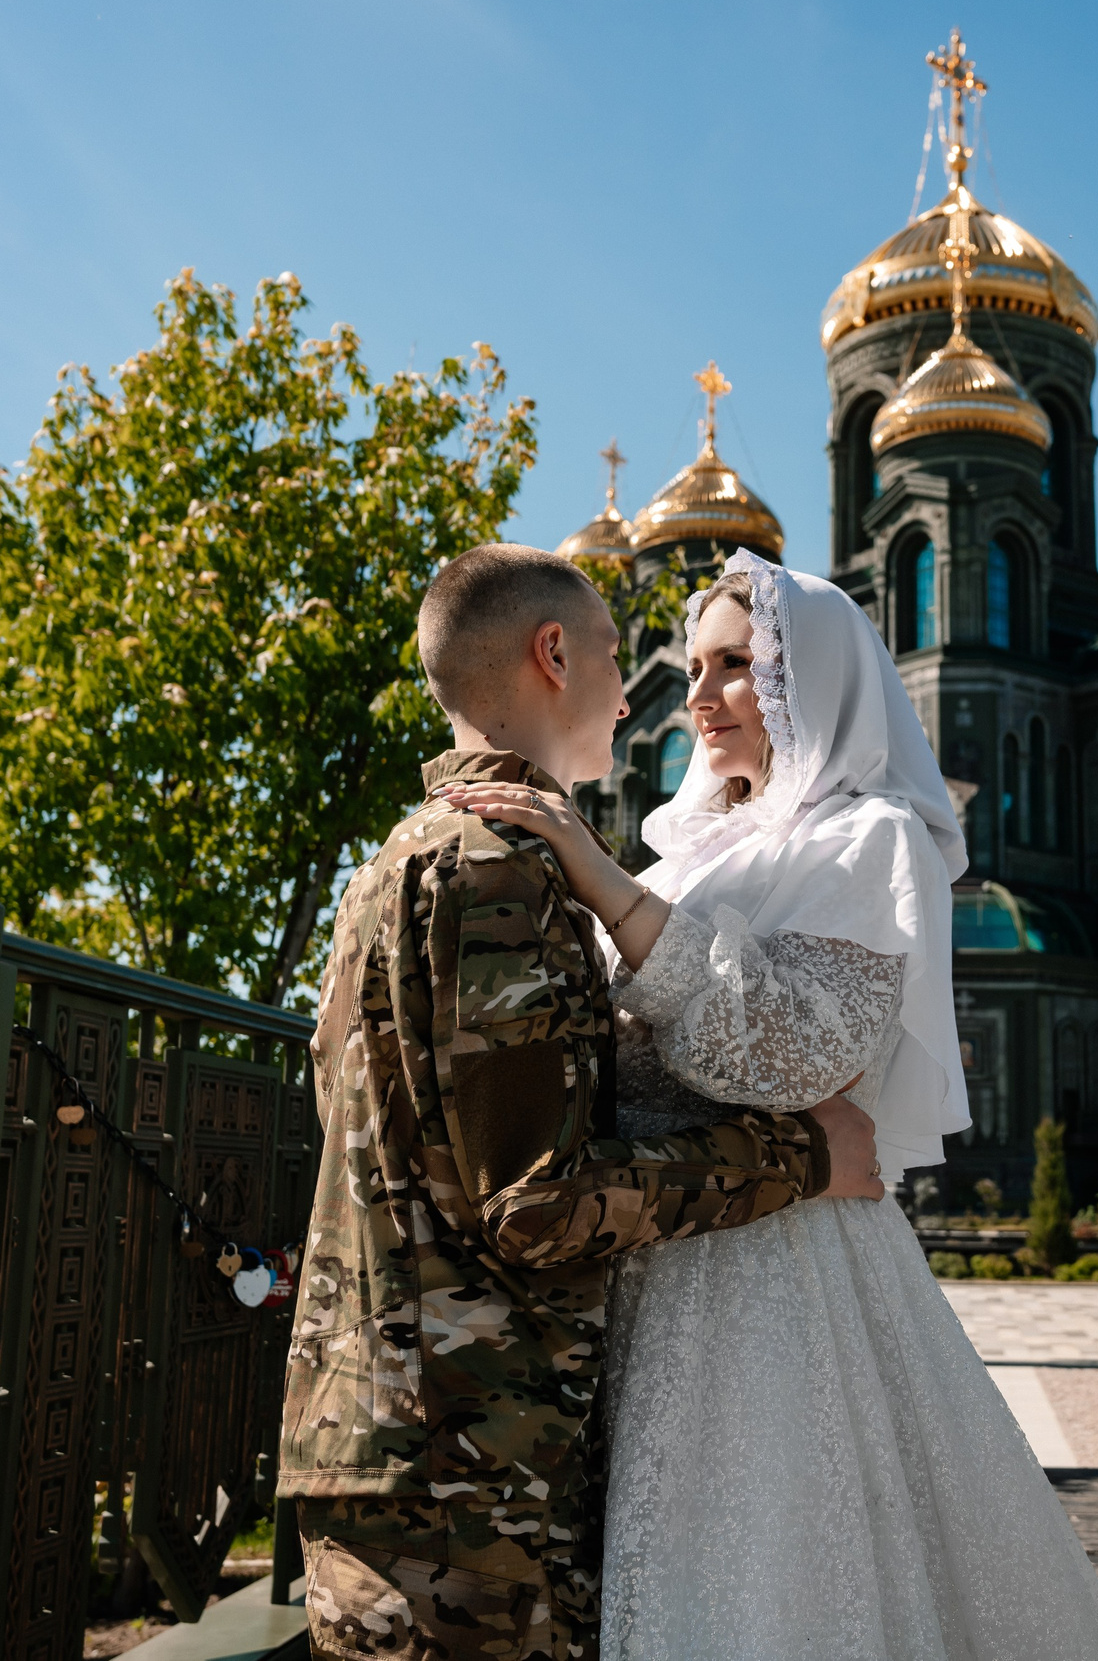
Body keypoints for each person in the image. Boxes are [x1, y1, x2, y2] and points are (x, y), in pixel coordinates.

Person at [439, 549, 1098, 1661]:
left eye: (738, 666)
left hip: (779, 1272)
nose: (701, 695)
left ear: (810, 676)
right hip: (649, 1253)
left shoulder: (870, 838)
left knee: (771, 1579)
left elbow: (794, 1053)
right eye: (695, 666)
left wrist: (598, 879)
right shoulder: (684, 853)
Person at [285, 542, 886, 1661]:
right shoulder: (499, 868)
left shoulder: (393, 864)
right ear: (553, 654)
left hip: (403, 1435)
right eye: (620, 657)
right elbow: (537, 1202)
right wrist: (800, 1156)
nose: (638, 692)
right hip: (465, 1463)